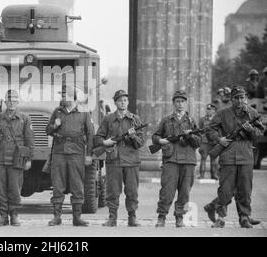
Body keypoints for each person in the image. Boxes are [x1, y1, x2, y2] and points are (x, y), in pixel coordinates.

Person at [204, 86, 264, 228]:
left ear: (246, 98)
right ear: (231, 99)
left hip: (246, 155)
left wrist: (251, 130)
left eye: (242, 97)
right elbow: (209, 129)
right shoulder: (223, 113)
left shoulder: (252, 113)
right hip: (228, 155)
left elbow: (260, 132)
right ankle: (221, 218)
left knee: (245, 189)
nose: (239, 100)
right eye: (236, 97)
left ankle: (244, 217)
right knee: (226, 189)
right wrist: (219, 140)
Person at [45, 85, 94, 227]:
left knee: (77, 185)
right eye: (62, 95)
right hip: (59, 152)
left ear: (73, 97)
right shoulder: (57, 112)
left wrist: (89, 154)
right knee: (57, 184)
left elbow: (90, 134)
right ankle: (57, 217)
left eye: (65, 94)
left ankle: (77, 217)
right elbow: (47, 130)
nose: (62, 97)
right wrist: (54, 125)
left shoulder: (84, 113)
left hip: (77, 152)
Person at [95, 90, 145, 227]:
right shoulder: (108, 119)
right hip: (114, 159)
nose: (122, 102)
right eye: (119, 100)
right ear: (115, 102)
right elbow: (98, 137)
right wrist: (106, 143)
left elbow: (141, 143)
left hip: (131, 160)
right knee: (113, 190)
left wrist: (133, 136)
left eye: (125, 100)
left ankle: (132, 217)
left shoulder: (135, 119)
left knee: (132, 191)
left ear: (128, 102)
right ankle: (112, 217)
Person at [151, 90, 201, 227]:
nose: (180, 104)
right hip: (171, 159)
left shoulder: (191, 121)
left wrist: (190, 136)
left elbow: (199, 142)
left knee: (185, 192)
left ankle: (180, 217)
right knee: (167, 190)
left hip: (188, 160)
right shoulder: (166, 120)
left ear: (186, 103)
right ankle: (161, 216)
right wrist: (160, 141)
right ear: (173, 103)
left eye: (183, 101)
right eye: (177, 101)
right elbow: (155, 136)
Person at [0, 89, 34, 226]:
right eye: (9, 100)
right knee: (0, 189)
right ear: (5, 101)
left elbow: (29, 140)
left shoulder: (24, 119)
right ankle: (3, 216)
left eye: (14, 99)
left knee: (15, 189)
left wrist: (29, 159)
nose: (12, 102)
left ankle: (14, 215)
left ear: (18, 101)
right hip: (0, 159)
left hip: (16, 159)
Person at [198, 104, 218, 180]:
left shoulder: (217, 119)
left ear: (214, 111)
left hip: (214, 142)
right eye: (207, 109)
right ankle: (201, 175)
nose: (208, 111)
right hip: (205, 142)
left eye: (210, 109)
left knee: (214, 159)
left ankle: (214, 175)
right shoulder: (202, 119)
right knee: (203, 159)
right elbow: (199, 130)